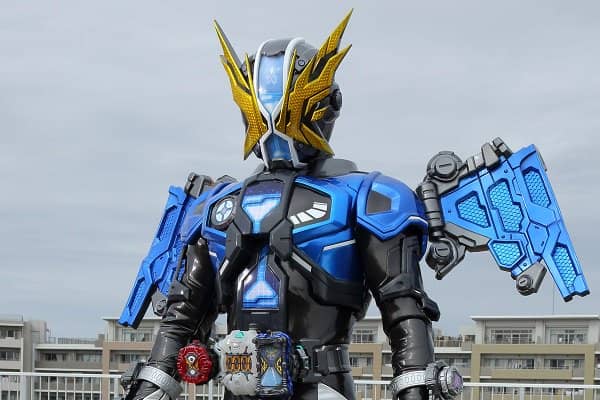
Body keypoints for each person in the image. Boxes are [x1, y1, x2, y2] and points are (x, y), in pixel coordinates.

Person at [122, 11, 458, 400]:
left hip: (322, 388)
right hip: (238, 387)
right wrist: (151, 384)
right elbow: (181, 317)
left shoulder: (367, 197)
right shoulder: (216, 207)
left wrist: (417, 386)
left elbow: (403, 312)